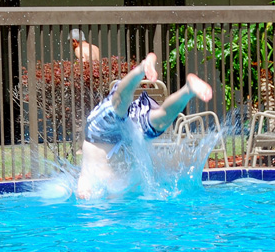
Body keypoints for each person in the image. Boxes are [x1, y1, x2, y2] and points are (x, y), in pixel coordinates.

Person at [77, 53, 213, 199]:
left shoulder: (88, 189)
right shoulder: (119, 190)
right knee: (160, 119)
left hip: (100, 135)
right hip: (131, 135)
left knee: (119, 104)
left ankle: (142, 68)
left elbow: (84, 195)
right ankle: (188, 90)